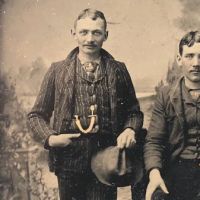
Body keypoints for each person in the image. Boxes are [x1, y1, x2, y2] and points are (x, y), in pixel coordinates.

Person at [27, 8, 143, 200]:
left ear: (106, 35)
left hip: (107, 162)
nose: (90, 39)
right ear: (73, 34)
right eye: (84, 32)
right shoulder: (57, 71)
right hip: (68, 162)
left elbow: (134, 112)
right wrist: (50, 138)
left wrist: (130, 129)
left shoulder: (118, 70)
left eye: (96, 32)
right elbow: (36, 116)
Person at [144, 30, 200, 200]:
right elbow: (154, 140)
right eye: (190, 56)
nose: (196, 63)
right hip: (178, 168)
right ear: (179, 59)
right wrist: (154, 173)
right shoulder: (166, 94)